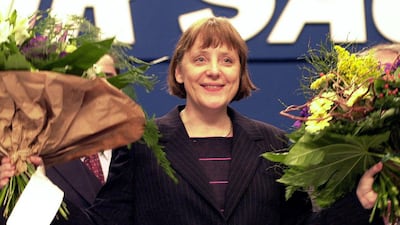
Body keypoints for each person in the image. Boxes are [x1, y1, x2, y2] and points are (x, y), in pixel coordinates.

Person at [0, 17, 386, 225]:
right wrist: (27, 188)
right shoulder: (141, 145)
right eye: (201, 59)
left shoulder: (274, 145)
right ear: (179, 72)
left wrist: (358, 202)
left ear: (241, 74)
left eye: (227, 60)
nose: (214, 71)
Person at [0, 54, 120, 225]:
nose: (98, 84)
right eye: (87, 76)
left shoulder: (140, 152)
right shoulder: (30, 156)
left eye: (107, 76)